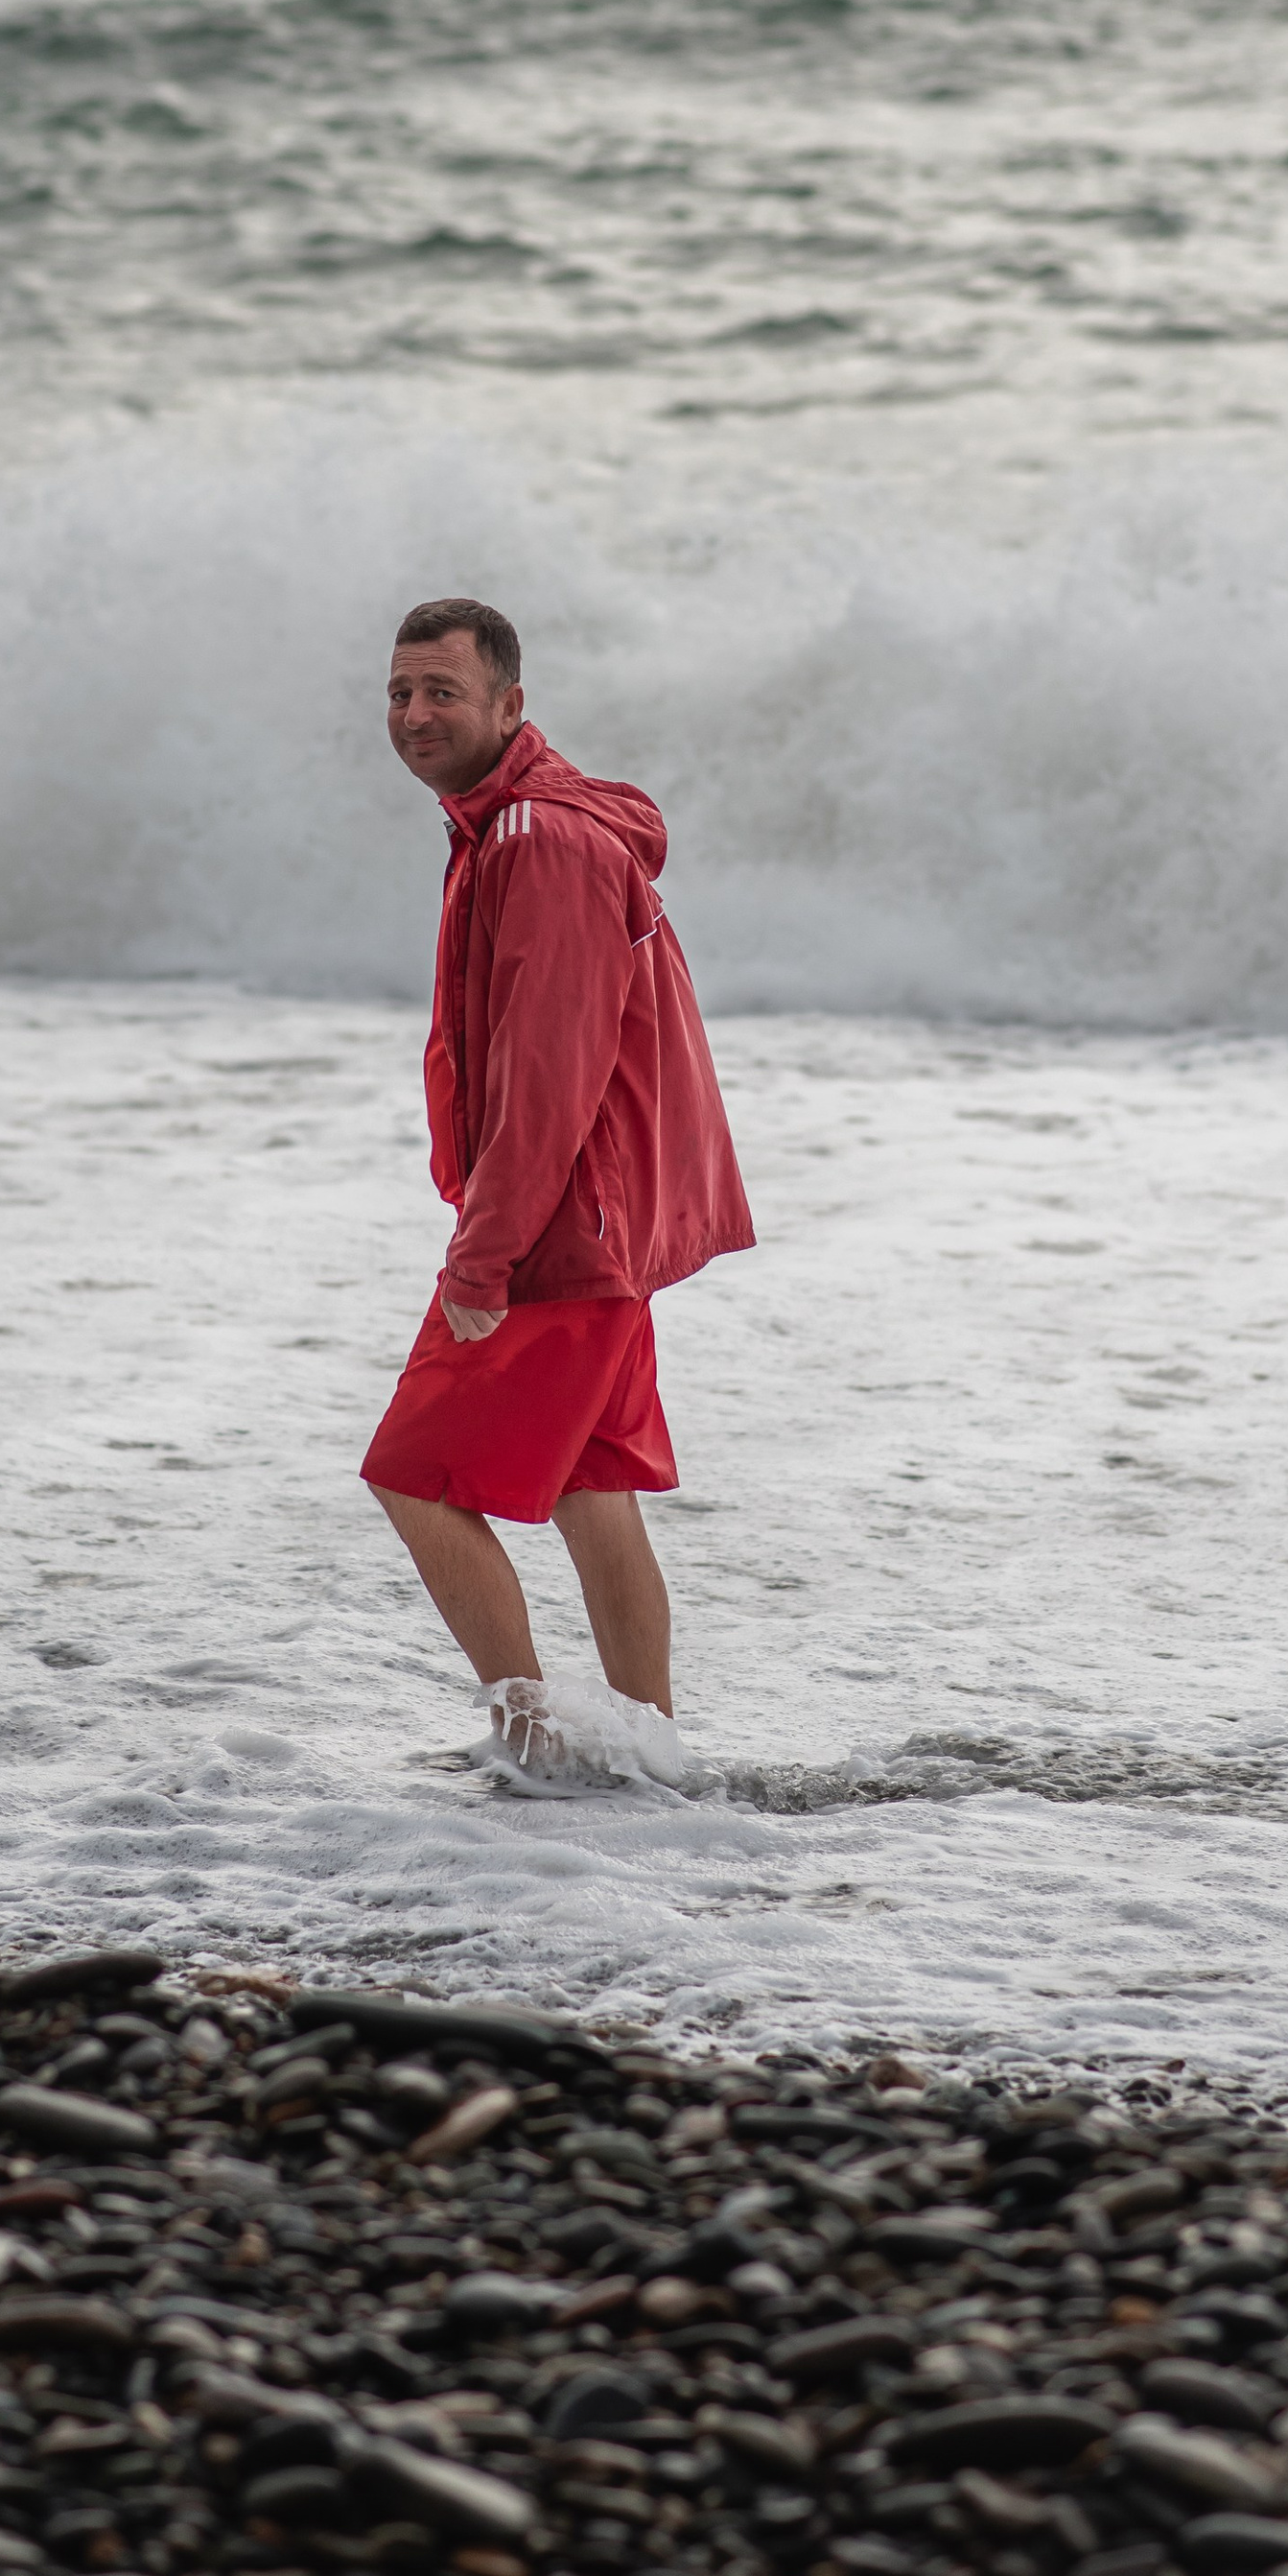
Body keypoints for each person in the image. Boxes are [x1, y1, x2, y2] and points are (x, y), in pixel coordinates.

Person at [363, 595, 754, 1777]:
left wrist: (484, 1252)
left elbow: (550, 1076)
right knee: (594, 1487)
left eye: (443, 692)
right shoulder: (505, 827)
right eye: (398, 693)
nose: (417, 714)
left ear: (510, 705)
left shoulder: (542, 844)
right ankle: (655, 1763)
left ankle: (530, 1745)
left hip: (562, 1231)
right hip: (594, 1222)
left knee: (414, 1480)